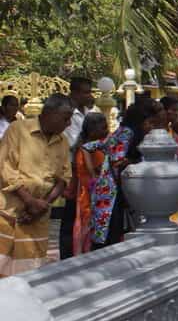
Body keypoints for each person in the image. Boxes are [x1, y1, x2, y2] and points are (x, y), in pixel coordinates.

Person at [0, 93, 74, 276]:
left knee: (28, 273)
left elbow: (64, 177)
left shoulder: (62, 141)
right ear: (50, 113)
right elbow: (6, 168)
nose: (69, 124)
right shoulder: (17, 130)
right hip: (8, 213)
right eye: (66, 119)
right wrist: (29, 201)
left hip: (36, 218)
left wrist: (42, 205)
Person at [92, 97, 164, 248]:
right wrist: (137, 163)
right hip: (109, 190)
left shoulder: (132, 133)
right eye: (149, 123)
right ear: (140, 121)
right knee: (109, 233)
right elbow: (117, 161)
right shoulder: (126, 132)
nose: (150, 127)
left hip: (119, 189)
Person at [69, 112, 109, 257]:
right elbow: (92, 174)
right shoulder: (87, 149)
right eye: (104, 128)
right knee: (88, 233)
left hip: (93, 195)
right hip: (89, 197)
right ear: (92, 130)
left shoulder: (93, 147)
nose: (107, 131)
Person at [64, 76, 95, 147]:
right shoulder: (66, 113)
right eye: (86, 92)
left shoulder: (89, 111)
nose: (89, 96)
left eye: (90, 92)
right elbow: (74, 144)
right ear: (75, 93)